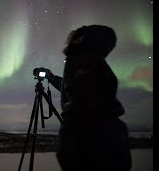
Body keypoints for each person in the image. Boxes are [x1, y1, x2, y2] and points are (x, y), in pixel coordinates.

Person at [44, 25, 132, 171]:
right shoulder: (89, 63)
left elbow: (81, 100)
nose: (69, 41)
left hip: (97, 144)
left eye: (75, 37)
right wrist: (51, 77)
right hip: (109, 140)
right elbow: (70, 87)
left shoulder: (82, 62)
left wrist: (68, 141)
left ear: (86, 40)